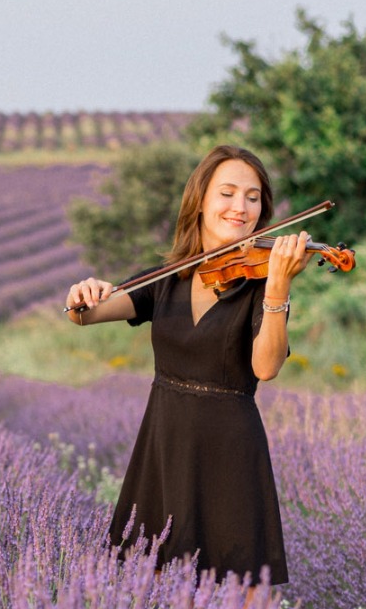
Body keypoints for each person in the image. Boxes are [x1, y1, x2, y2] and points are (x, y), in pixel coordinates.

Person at [64, 144, 312, 585]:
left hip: (230, 456)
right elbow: (87, 314)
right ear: (200, 200)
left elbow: (266, 367)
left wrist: (277, 287)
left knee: (240, 608)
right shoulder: (165, 279)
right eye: (228, 193)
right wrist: (84, 293)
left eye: (253, 198)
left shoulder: (261, 285)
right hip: (164, 449)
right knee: (151, 594)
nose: (241, 207)